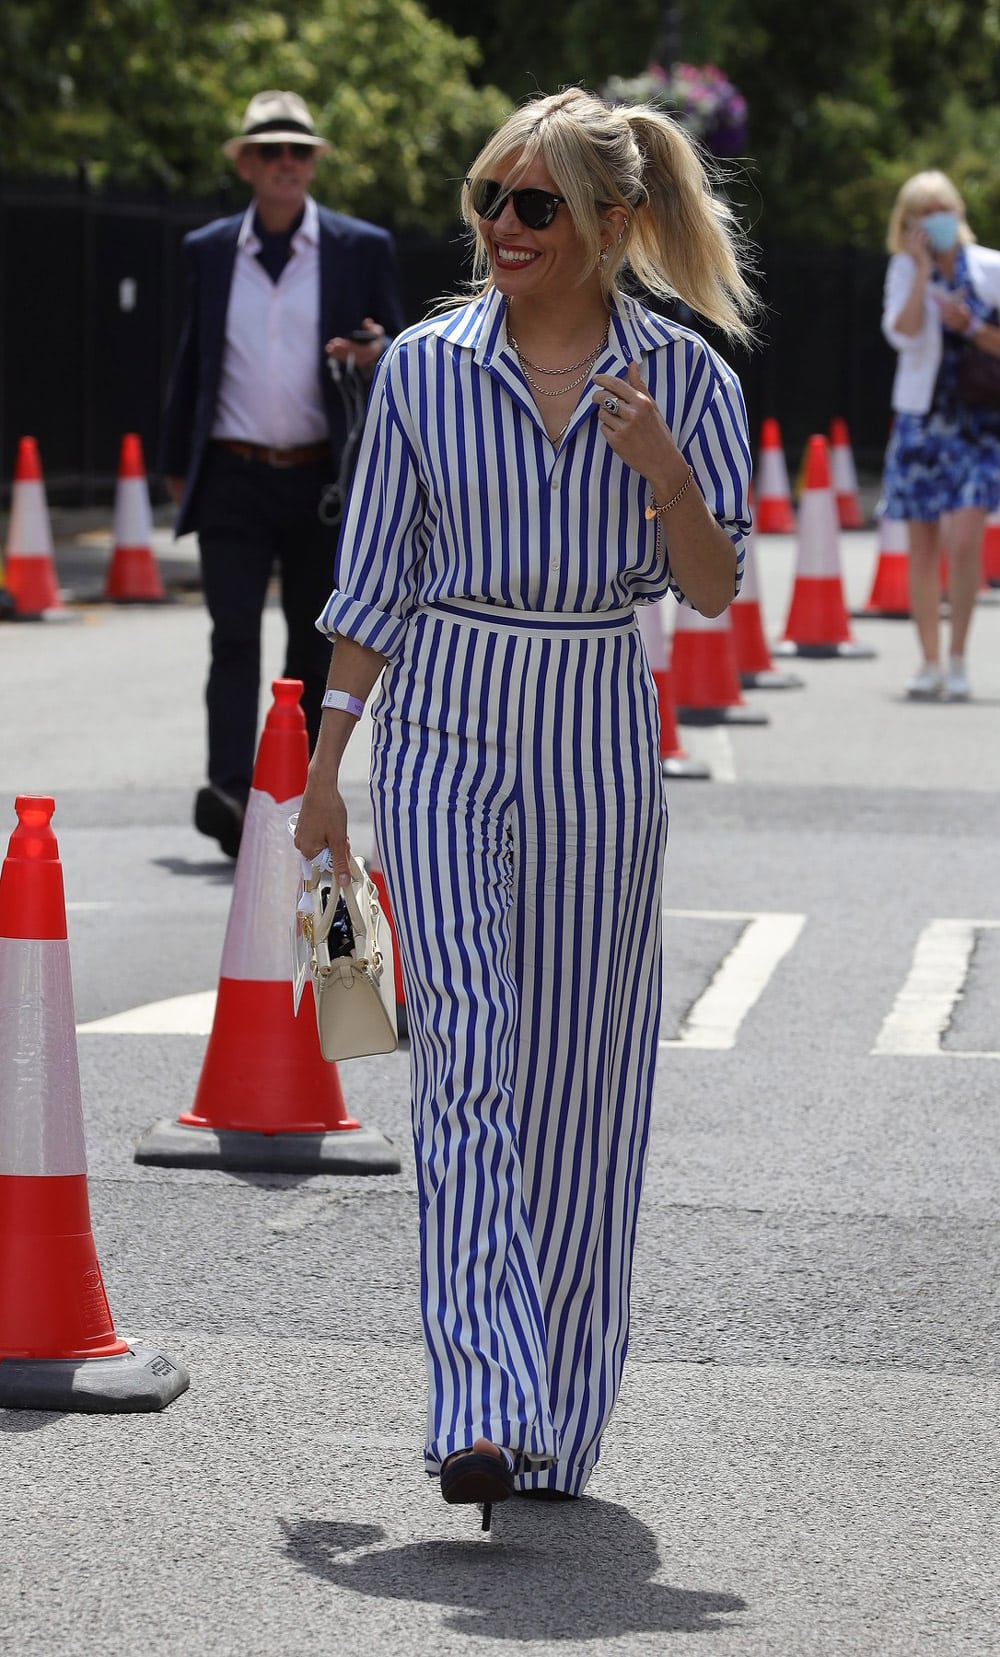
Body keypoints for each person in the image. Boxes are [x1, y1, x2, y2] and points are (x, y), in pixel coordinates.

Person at [294, 87, 755, 1521]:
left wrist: (666, 477)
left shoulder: (690, 381)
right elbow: (372, 578)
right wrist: (325, 771)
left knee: (582, 1083)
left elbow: (715, 583)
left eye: (534, 205)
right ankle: (479, 1400)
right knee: (470, 1055)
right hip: (443, 715)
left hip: (597, 722)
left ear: (612, 225)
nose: (499, 228)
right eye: (487, 200)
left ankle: (558, 1411)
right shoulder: (425, 369)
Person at [159, 90, 405, 857]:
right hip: (232, 470)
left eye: (299, 150)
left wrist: (374, 351)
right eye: (271, 151)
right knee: (231, 635)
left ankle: (295, 795)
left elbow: (400, 350)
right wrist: (176, 462)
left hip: (321, 482)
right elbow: (195, 359)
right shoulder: (207, 249)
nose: (287, 163)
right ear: (246, 164)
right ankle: (231, 793)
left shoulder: (360, 246)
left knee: (311, 641)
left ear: (314, 163)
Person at [881, 169, 1000, 701]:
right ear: (906, 225)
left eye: (942, 209)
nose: (934, 220)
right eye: (922, 213)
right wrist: (924, 271)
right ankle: (929, 662)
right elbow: (900, 333)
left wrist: (970, 325)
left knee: (965, 537)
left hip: (977, 424)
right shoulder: (904, 271)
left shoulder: (989, 268)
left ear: (958, 213)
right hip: (921, 421)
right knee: (922, 545)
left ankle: (958, 658)